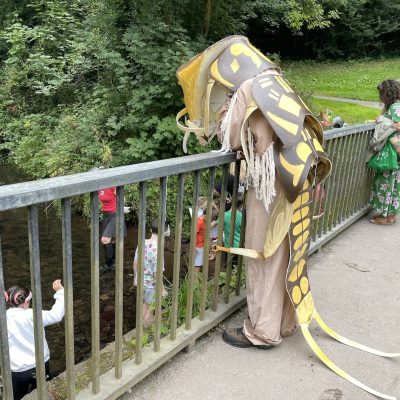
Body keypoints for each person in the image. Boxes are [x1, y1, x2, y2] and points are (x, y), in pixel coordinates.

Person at [5, 280, 64, 400]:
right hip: (41, 364)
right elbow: (57, 315)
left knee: (16, 395)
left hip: (19, 371)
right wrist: (60, 293)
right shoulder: (32, 314)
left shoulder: (3, 317)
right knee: (43, 390)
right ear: (25, 302)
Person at [369, 80, 400, 225]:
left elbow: (398, 125)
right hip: (396, 152)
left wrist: (383, 121)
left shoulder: (395, 107)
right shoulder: (394, 106)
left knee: (385, 182)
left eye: (381, 93)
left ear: (387, 93)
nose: (380, 96)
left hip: (392, 151)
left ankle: (386, 217)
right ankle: (390, 216)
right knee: (393, 184)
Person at [133, 219, 168, 324]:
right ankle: (146, 328)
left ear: (150, 230)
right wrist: (162, 290)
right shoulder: (158, 250)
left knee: (145, 303)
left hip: (140, 281)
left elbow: (135, 263)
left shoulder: (142, 242)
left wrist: (135, 278)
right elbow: (157, 274)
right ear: (164, 232)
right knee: (151, 308)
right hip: (151, 285)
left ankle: (140, 325)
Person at [98, 187, 129, 272]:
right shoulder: (98, 186)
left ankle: (109, 265)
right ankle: (115, 263)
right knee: (112, 239)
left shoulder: (112, 185)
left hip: (116, 213)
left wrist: (121, 207)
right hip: (106, 214)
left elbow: (122, 197)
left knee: (105, 239)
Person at [195, 197, 217, 273]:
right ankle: (195, 281)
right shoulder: (200, 221)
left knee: (199, 263)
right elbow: (195, 233)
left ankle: (195, 280)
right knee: (197, 264)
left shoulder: (203, 219)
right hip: (199, 245)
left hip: (201, 244)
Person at [222, 194, 243, 266]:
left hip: (228, 246)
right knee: (237, 268)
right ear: (241, 205)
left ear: (231, 202)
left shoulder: (224, 215)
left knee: (229, 267)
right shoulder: (242, 217)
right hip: (239, 247)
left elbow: (216, 227)